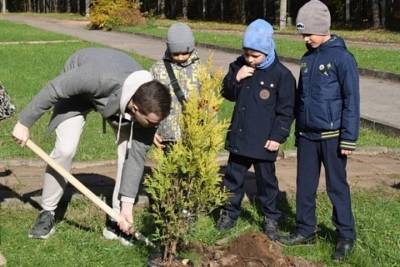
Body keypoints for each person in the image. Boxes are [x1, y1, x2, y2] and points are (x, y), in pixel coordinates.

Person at [12, 47, 171, 245]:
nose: (156, 128)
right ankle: (48, 211)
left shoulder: (150, 107)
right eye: (152, 123)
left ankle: (116, 218)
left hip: (119, 99)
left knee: (127, 151)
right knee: (65, 149)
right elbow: (55, 89)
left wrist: (127, 208)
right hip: (80, 89)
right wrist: (24, 123)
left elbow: (136, 159)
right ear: (136, 108)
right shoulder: (97, 77)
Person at [277, 0, 360, 262]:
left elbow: (351, 100)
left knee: (337, 187)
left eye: (308, 33)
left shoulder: (342, 59)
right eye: (303, 34)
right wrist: (298, 129)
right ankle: (305, 229)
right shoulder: (307, 59)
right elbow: (303, 98)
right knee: (305, 186)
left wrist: (349, 136)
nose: (305, 39)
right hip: (308, 137)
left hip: (333, 138)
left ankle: (345, 235)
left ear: (322, 29)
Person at [216, 19, 296, 241]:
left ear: (268, 50)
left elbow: (287, 110)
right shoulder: (239, 66)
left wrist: (277, 136)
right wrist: (236, 78)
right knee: (233, 179)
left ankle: (271, 218)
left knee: (267, 183)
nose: (250, 60)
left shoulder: (282, 75)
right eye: (246, 54)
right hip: (240, 137)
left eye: (255, 56)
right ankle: (229, 214)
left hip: (264, 142)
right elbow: (227, 93)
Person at [150, 23, 201, 154]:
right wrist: (151, 130)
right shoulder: (158, 69)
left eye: (185, 53)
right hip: (167, 135)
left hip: (194, 134)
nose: (180, 57)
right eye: (176, 54)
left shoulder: (200, 69)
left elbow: (209, 102)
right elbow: (149, 102)